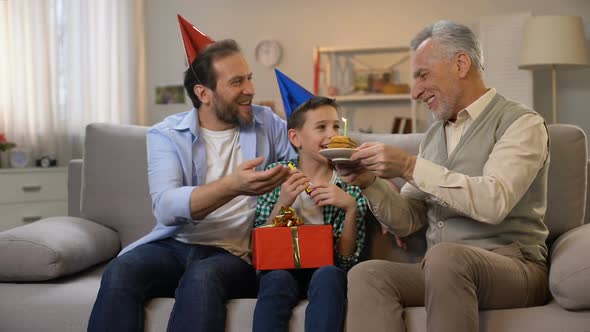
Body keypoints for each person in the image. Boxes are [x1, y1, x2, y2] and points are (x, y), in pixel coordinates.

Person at [338, 20, 551, 332]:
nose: (415, 92)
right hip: (442, 269)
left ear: (460, 64)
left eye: (423, 74)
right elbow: (408, 219)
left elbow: (495, 201)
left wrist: (410, 167)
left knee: (445, 258)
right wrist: (369, 182)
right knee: (366, 274)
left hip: (515, 268)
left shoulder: (521, 124)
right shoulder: (434, 135)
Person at [88, 38, 296, 332]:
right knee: (122, 270)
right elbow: (166, 206)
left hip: (234, 252)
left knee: (202, 277)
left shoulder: (268, 123)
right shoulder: (167, 134)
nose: (250, 89)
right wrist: (233, 185)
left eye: (249, 78)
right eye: (237, 82)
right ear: (204, 93)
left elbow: (307, 158)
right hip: (175, 244)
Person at [252, 96, 368, 332]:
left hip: (327, 269)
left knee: (329, 275)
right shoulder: (276, 176)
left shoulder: (350, 182)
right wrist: (283, 202)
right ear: (295, 138)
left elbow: (345, 261)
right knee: (276, 279)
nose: (332, 133)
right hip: (281, 268)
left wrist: (350, 209)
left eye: (336, 126)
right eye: (321, 127)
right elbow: (261, 246)